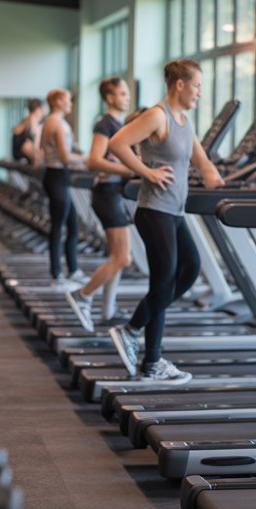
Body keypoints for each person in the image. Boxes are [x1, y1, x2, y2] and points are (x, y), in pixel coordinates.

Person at [106, 59, 223, 383]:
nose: (200, 92)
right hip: (154, 210)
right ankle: (134, 336)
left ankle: (148, 356)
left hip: (174, 212)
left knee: (187, 270)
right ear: (180, 85)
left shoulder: (184, 121)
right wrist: (146, 172)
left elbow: (201, 160)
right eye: (197, 85)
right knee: (164, 282)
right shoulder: (158, 115)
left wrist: (214, 176)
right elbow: (117, 143)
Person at [65, 77, 136, 330]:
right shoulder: (105, 123)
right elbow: (93, 160)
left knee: (117, 256)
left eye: (127, 93)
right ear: (110, 97)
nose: (127, 97)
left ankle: (108, 311)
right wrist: (128, 169)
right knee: (122, 258)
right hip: (107, 193)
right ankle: (82, 295)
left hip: (113, 192)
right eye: (122, 93)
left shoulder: (119, 124)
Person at [38, 88, 85, 284]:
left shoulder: (49, 122)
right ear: (57, 101)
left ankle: (73, 269)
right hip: (58, 175)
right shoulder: (58, 124)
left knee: (72, 225)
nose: (70, 104)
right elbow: (65, 156)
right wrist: (88, 159)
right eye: (67, 100)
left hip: (56, 176)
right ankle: (56, 273)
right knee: (58, 226)